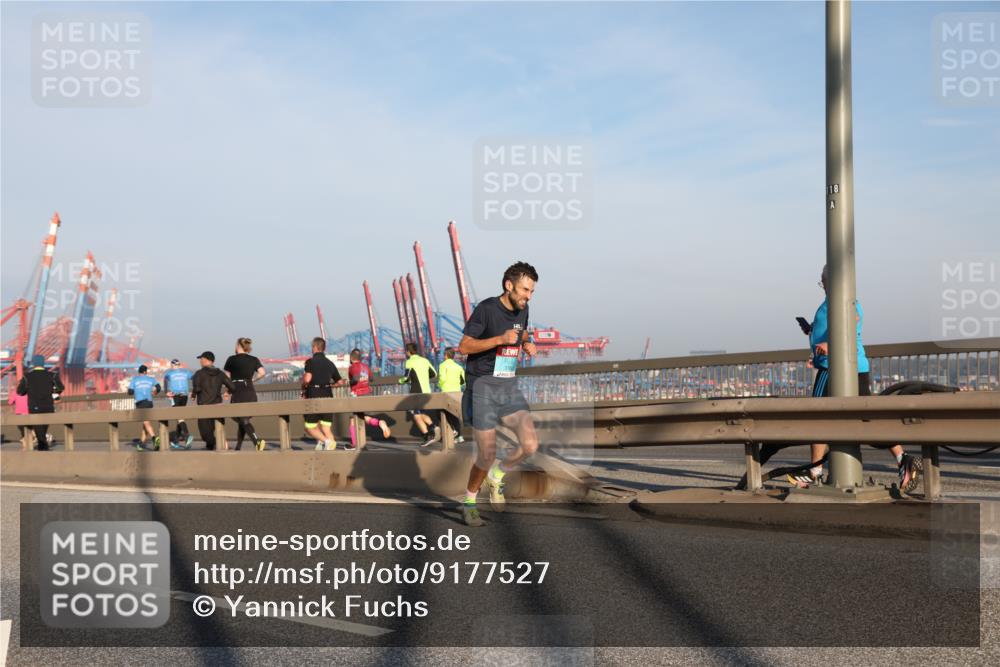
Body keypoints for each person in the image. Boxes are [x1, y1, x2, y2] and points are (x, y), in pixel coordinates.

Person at [791, 265, 921, 492]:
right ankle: (903, 459)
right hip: (855, 367)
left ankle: (814, 472)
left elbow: (852, 324)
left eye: (824, 283)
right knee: (866, 419)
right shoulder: (841, 302)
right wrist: (812, 332)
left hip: (835, 369)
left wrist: (829, 346)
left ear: (832, 282)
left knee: (816, 418)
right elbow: (840, 327)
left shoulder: (845, 302)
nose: (823, 288)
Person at [457, 262, 540, 527]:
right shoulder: (487, 309)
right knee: (486, 453)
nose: (528, 296)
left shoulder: (523, 309)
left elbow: (520, 331)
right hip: (482, 385)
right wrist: (498, 340)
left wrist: (527, 341)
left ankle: (496, 476)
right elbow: (464, 346)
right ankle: (469, 501)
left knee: (530, 445)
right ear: (509, 285)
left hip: (508, 385)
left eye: (532, 291)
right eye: (525, 289)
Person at [302, 337, 346, 451]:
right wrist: (331, 386)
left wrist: (303, 385)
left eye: (312, 347)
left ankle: (327, 442)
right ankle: (331, 453)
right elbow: (340, 382)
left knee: (309, 427)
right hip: (328, 396)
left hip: (314, 396)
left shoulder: (310, 362)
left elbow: (307, 379)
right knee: (326, 428)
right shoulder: (330, 363)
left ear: (315, 347)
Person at [223, 337, 266, 451]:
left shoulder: (231, 359)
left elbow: (227, 378)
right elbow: (262, 373)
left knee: (241, 418)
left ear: (238, 346)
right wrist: (253, 380)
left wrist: (228, 391)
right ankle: (238, 446)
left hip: (237, 389)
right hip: (250, 389)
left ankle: (257, 442)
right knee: (243, 418)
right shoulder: (254, 359)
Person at [16, 355, 64, 451]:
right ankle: (43, 448)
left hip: (34, 407)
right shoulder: (53, 375)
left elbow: (20, 392)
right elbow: (61, 387)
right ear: (43, 363)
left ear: (34, 364)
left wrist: (27, 391)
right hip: (48, 407)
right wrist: (55, 393)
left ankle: (43, 449)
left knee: (39, 432)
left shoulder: (27, 376)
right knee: (43, 430)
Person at [347, 348, 391, 449]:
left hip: (357, 395)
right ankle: (379, 423)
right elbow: (371, 379)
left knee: (353, 420)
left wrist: (348, 382)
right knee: (363, 417)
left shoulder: (352, 367)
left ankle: (354, 444)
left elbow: (355, 378)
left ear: (351, 358)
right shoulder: (365, 366)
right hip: (367, 393)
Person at [398, 342, 439, 447]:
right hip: (426, 392)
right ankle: (434, 427)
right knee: (420, 413)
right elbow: (434, 373)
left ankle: (428, 436)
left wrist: (400, 381)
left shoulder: (409, 362)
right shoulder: (425, 360)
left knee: (416, 416)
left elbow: (406, 377)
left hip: (416, 392)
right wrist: (424, 377)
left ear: (408, 352)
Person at [191, 351, 234, 450]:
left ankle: (222, 443)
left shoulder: (199, 374)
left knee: (206, 435)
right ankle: (216, 449)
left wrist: (193, 395)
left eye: (201, 359)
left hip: (204, 408)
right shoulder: (220, 374)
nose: (200, 361)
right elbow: (232, 386)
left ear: (205, 360)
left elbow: (197, 388)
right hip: (218, 407)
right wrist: (228, 392)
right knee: (218, 431)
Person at [128, 364, 162, 450]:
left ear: (139, 372)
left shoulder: (135, 379)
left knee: (146, 422)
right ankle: (141, 444)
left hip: (140, 402)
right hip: (149, 402)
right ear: (145, 372)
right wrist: (155, 392)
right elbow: (158, 387)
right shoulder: (151, 379)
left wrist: (132, 391)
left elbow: (130, 391)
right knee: (145, 424)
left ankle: (154, 438)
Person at [163, 358, 194, 449]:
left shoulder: (169, 373)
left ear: (172, 365)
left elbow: (165, 382)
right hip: (184, 395)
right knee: (180, 417)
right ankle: (175, 440)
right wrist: (193, 391)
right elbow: (195, 379)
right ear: (179, 365)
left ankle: (187, 435)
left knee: (179, 416)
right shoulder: (186, 372)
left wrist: (166, 392)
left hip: (174, 396)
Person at [437, 346, 466, 444]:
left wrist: (439, 385)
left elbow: (442, 379)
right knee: (455, 414)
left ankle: (453, 432)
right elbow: (463, 381)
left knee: (442, 414)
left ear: (445, 355)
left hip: (446, 392)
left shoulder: (443, 365)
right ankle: (459, 436)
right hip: (457, 392)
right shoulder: (459, 367)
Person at [8, 376, 31, 450]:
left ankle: (25, 446)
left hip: (19, 414)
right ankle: (30, 443)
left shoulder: (15, 393)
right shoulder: (29, 392)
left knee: (22, 431)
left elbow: (10, 402)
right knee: (29, 429)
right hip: (28, 413)